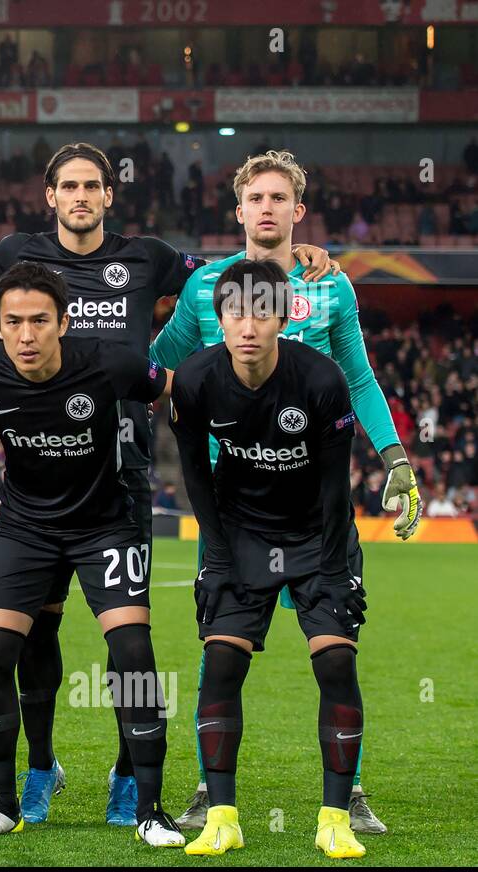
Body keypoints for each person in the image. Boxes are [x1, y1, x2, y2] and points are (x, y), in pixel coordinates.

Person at [0, 142, 336, 826]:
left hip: (122, 474)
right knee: (33, 636)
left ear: (110, 194)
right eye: (67, 185)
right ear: (50, 195)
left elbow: (221, 278)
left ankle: (132, 779)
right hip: (35, 486)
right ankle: (39, 768)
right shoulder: (12, 255)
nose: (79, 195)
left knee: (127, 643)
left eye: (92, 186)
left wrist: (294, 258)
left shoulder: (150, 256)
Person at [151, 149, 414, 834]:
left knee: (334, 647)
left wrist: (394, 458)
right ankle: (215, 794)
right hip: (232, 503)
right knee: (220, 653)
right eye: (254, 198)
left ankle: (348, 792)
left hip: (314, 500)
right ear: (237, 211)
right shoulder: (206, 286)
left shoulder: (332, 287)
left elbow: (357, 378)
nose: (266, 208)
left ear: (299, 210)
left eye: (279, 198)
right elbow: (158, 363)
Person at [0, 261, 182, 845]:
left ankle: (151, 811)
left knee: (132, 650)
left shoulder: (109, 361)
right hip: (25, 529)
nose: (26, 336)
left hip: (104, 526)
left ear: (63, 321)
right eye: (13, 323)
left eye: (38, 321)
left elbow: (178, 390)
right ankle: (4, 805)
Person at [169, 258, 369, 859]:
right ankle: (222, 816)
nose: (248, 325)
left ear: (283, 317)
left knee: (334, 664)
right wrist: (220, 557)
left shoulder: (322, 380)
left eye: (262, 312)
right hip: (240, 531)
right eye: (236, 312)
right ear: (220, 319)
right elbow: (197, 479)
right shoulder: (196, 381)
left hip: (317, 532)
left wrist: (335, 566)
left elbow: (338, 486)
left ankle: (335, 818)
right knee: (222, 664)